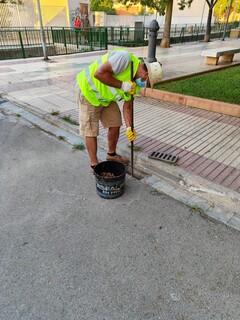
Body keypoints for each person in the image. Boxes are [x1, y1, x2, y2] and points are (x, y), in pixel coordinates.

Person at [76, 48, 163, 172]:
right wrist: (123, 85)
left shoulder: (136, 85)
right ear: (146, 75)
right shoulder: (124, 58)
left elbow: (127, 107)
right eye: (148, 83)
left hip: (105, 98)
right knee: (91, 130)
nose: (146, 86)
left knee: (115, 123)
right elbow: (98, 74)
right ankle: (94, 165)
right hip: (88, 91)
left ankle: (111, 155)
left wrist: (129, 128)